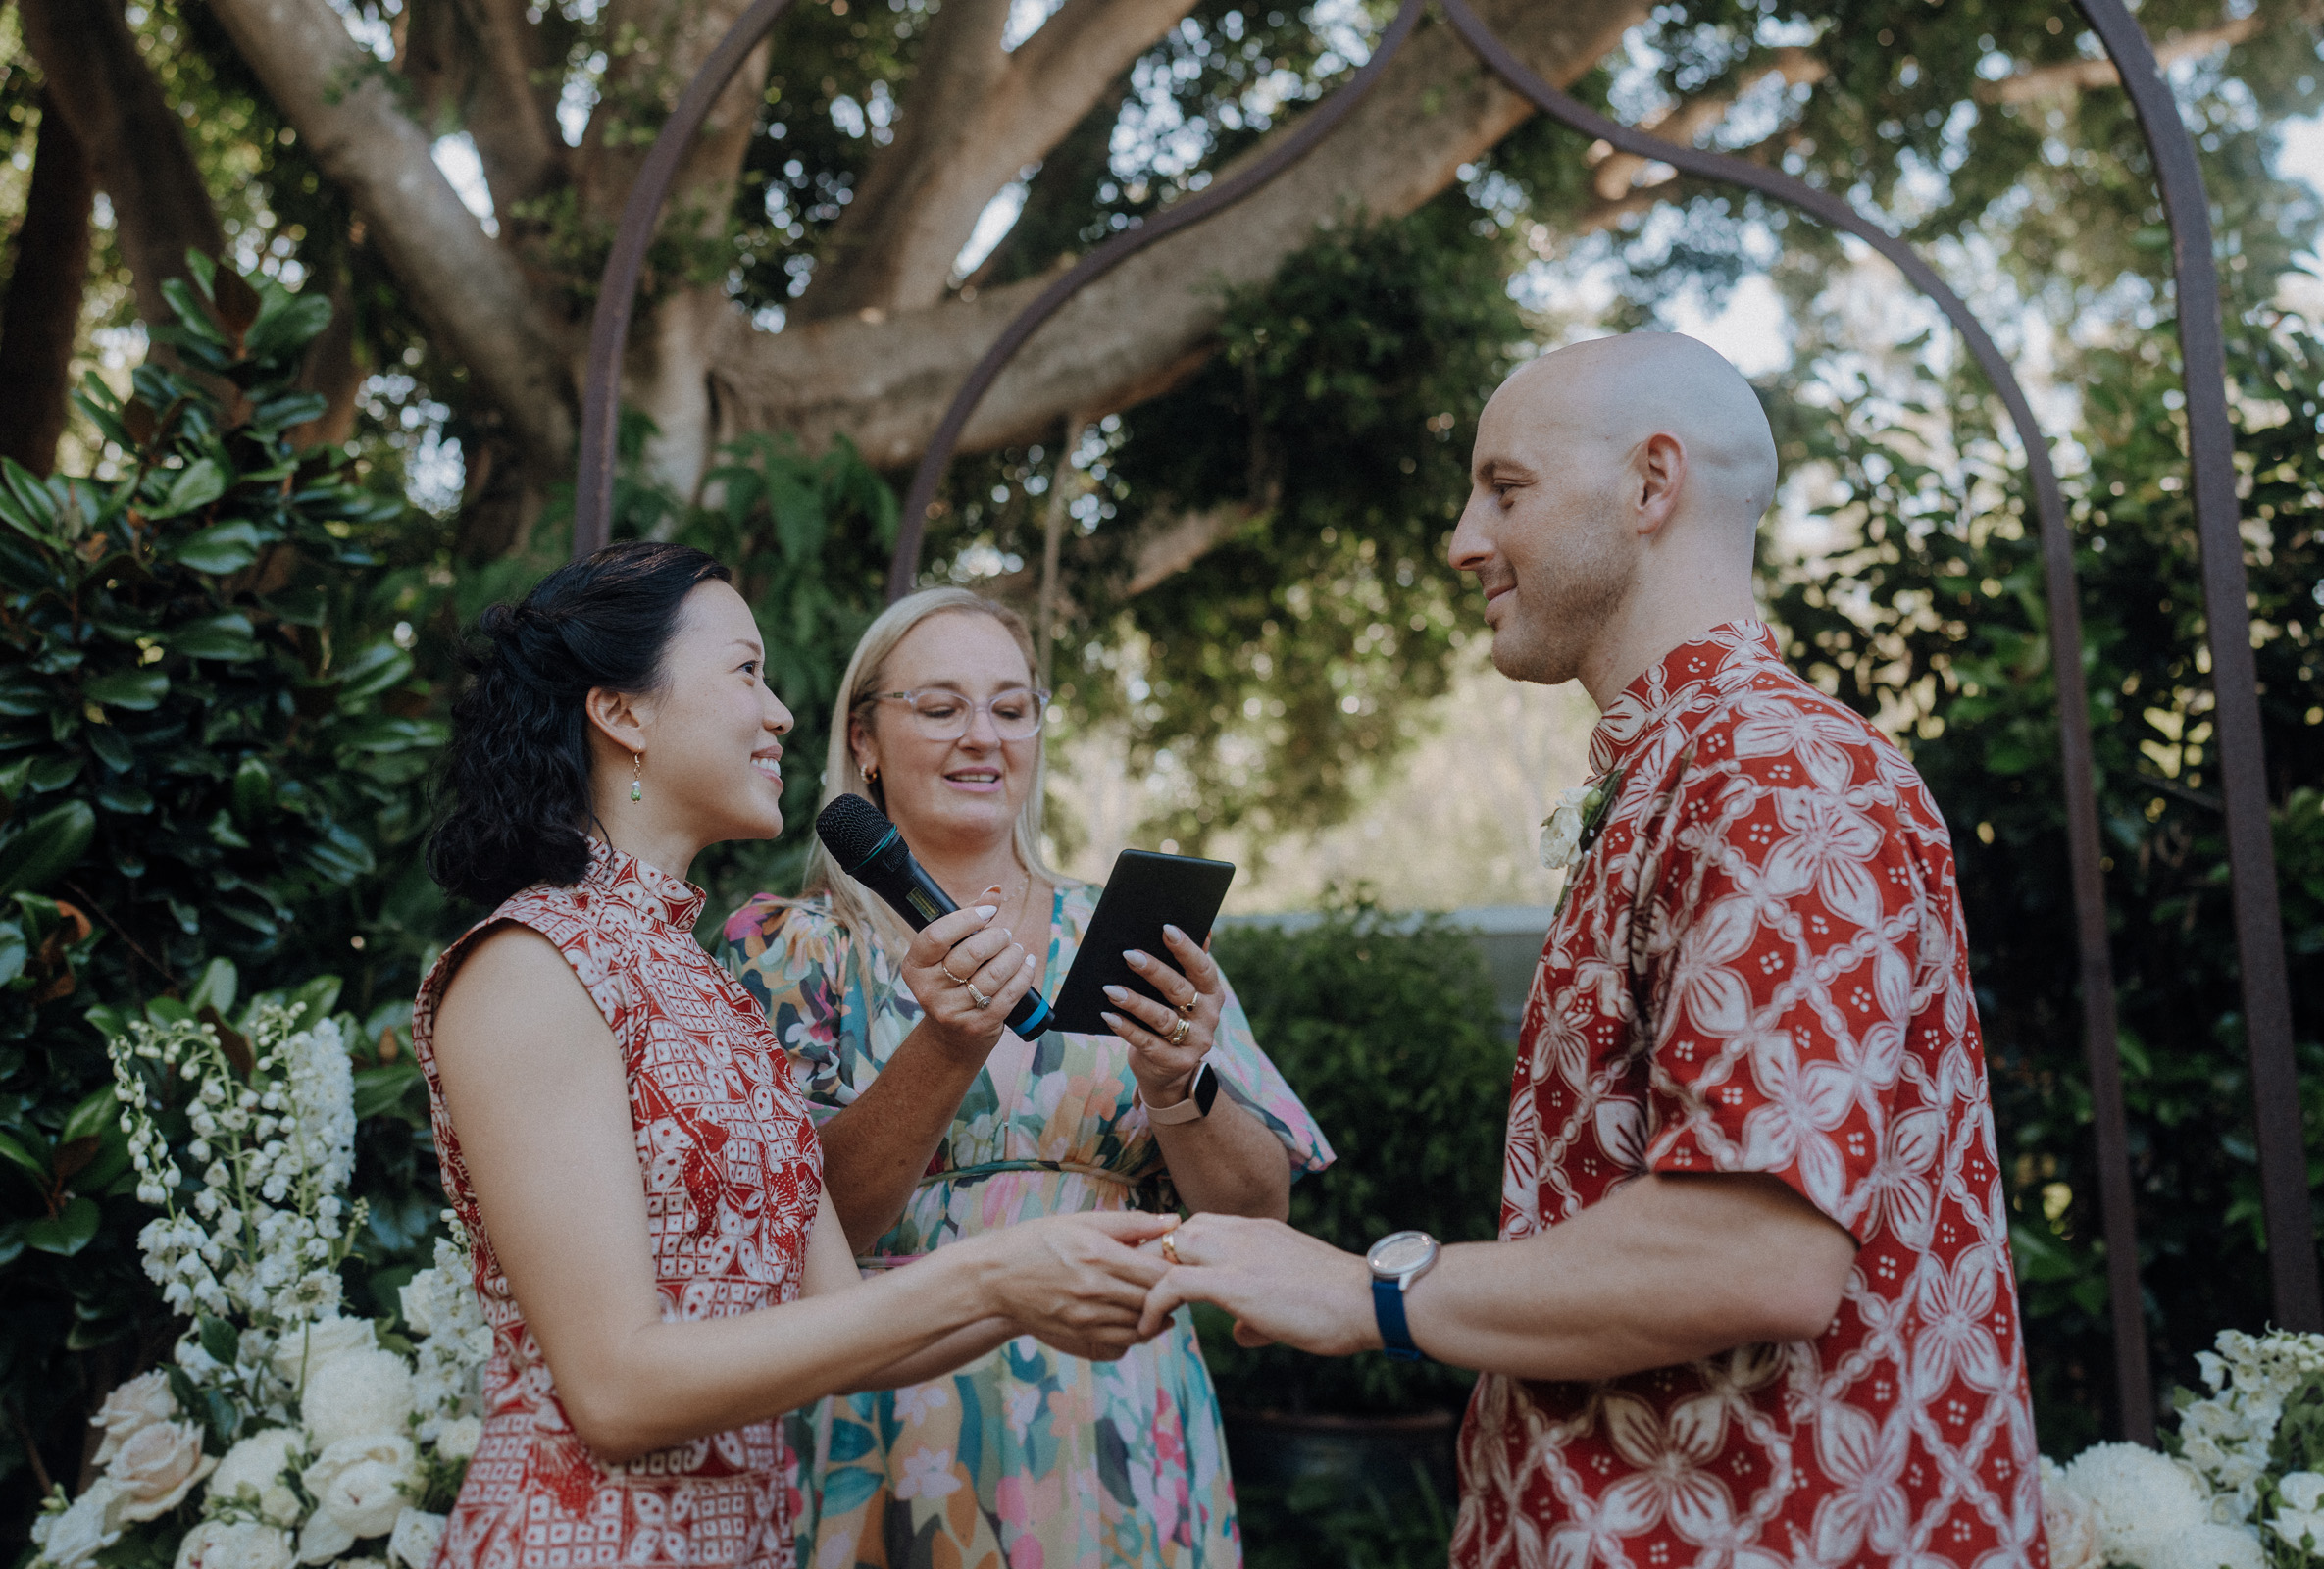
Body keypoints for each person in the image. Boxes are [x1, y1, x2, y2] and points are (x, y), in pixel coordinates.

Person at [1140, 334, 2047, 1568]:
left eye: (1503, 489)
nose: (1464, 539)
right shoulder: (1679, 771)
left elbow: (1755, 1250)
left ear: (1651, 483)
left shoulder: (1779, 778)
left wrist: (1373, 1292)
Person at [413, 543, 1180, 1569]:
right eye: (746, 673)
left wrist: (1074, 1282)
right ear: (623, 713)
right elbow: (615, 1388)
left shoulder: (705, 988)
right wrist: (998, 1274)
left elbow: (839, 1325)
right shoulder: (532, 965)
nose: (780, 713)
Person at [721, 586, 1333, 1568]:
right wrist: (942, 1043)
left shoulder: (1129, 933)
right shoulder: (794, 948)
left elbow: (1259, 1219)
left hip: (1120, 1419)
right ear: (865, 739)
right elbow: (798, 1224)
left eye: (1012, 708)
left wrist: (1182, 1086)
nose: (983, 737)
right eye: (941, 706)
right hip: (889, 1414)